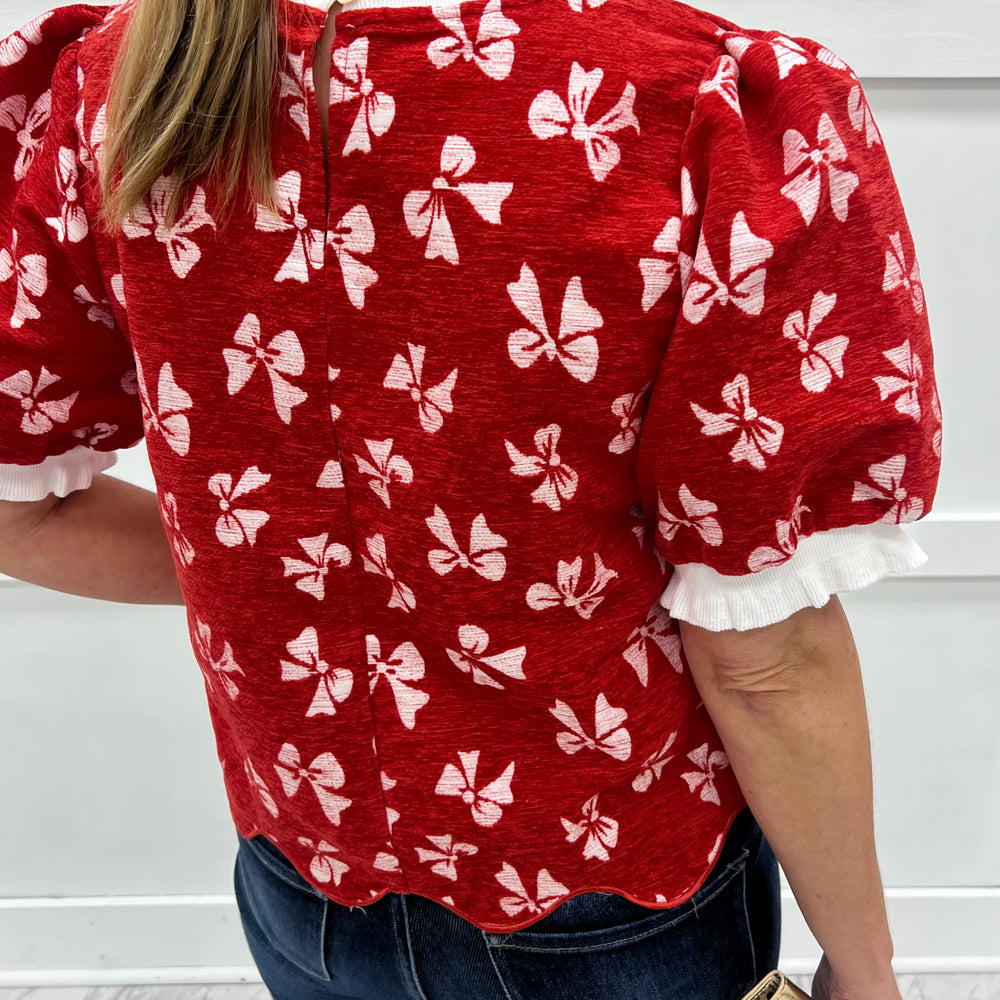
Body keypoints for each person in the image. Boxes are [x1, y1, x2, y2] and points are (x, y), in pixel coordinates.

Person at [0, 0, 942, 998]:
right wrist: (864, 969)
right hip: (610, 900)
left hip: (301, 886)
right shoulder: (698, 106)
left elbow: (20, 513)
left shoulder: (124, 75)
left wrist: (287, 572)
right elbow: (766, 659)